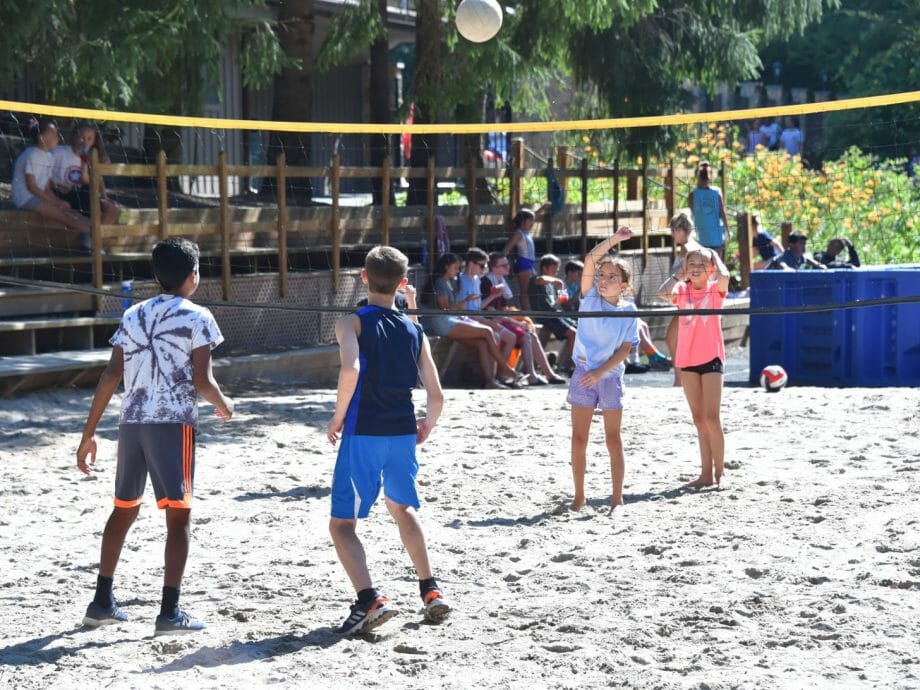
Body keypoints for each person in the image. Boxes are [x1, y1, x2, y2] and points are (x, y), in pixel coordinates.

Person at [76, 237, 233, 635]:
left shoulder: (133, 315)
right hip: (172, 423)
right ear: (194, 275)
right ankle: (169, 613)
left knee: (124, 509)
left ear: (155, 275)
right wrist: (225, 404)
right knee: (179, 518)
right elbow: (202, 380)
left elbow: (111, 375)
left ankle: (101, 602)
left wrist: (88, 433)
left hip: (131, 424)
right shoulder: (198, 317)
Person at [326, 245, 450, 635]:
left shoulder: (351, 322)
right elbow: (437, 394)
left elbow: (351, 370)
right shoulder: (415, 330)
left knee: (342, 525)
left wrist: (337, 415)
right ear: (401, 283)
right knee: (401, 508)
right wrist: (427, 425)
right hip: (401, 432)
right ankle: (430, 589)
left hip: (364, 432)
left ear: (363, 277)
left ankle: (369, 600)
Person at [567, 227, 638, 512]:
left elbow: (625, 350)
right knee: (578, 438)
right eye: (602, 275)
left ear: (623, 286)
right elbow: (589, 259)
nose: (604, 280)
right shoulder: (589, 299)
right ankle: (579, 497)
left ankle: (617, 498)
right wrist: (616, 239)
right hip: (583, 373)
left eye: (612, 277)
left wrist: (600, 372)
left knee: (613, 438)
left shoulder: (628, 310)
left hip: (608, 377)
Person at [658, 247, 730, 488]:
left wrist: (714, 256)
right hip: (687, 360)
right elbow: (662, 292)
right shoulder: (681, 289)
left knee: (712, 418)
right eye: (692, 264)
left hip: (711, 359)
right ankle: (705, 475)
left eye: (702, 264)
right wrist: (681, 272)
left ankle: (720, 475)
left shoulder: (714, 290)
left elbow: (725, 277)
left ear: (710, 269)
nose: (696, 268)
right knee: (699, 419)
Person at [421, 253, 519, 389]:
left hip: (448, 320)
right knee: (488, 331)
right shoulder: (440, 282)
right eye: (455, 267)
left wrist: (464, 303)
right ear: (446, 267)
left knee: (482, 343)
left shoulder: (447, 282)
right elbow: (445, 308)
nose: (457, 271)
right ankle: (504, 367)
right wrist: (464, 302)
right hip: (442, 323)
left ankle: (490, 381)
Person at [478, 252, 566, 385]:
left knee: (530, 334)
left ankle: (543, 374)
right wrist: (515, 322)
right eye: (504, 265)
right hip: (492, 320)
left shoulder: (500, 280)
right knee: (524, 335)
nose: (508, 267)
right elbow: (491, 312)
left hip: (499, 318)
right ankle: (505, 375)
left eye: (507, 264)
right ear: (494, 268)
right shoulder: (487, 282)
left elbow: (501, 309)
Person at [11, 117, 91, 243]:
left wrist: (58, 201)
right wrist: (56, 203)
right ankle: (96, 239)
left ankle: (94, 235)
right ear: (41, 138)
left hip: (37, 196)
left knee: (72, 213)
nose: (57, 136)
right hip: (25, 198)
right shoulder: (32, 154)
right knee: (66, 217)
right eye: (52, 133)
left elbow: (46, 187)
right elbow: (32, 187)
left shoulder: (48, 156)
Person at [457, 248, 517, 362]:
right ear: (471, 264)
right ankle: (501, 372)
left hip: (478, 317)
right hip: (468, 318)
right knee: (499, 336)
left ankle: (499, 374)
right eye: (482, 266)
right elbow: (463, 310)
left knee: (508, 337)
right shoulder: (460, 280)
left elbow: (479, 307)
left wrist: (494, 296)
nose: (485, 269)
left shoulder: (477, 280)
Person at [52, 123, 120, 226]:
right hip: (62, 194)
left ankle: (93, 238)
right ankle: (92, 237)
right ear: (74, 136)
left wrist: (104, 196)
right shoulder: (59, 153)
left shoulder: (92, 156)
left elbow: (97, 180)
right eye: (82, 138)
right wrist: (56, 185)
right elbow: (43, 176)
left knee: (111, 208)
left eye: (89, 139)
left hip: (84, 194)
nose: (85, 142)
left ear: (94, 141)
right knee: (89, 211)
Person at [664, 210, 702, 387]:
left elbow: (696, 276)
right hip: (687, 302)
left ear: (681, 230)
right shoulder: (690, 247)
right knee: (676, 340)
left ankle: (681, 380)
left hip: (691, 303)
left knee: (674, 339)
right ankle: (681, 380)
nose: (672, 234)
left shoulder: (690, 250)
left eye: (674, 230)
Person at [528, 254, 577, 371]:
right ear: (545, 268)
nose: (556, 272)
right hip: (545, 316)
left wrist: (561, 298)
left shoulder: (550, 285)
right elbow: (541, 280)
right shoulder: (535, 280)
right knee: (572, 333)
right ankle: (573, 366)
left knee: (580, 327)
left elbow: (554, 304)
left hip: (555, 314)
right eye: (554, 269)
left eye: (557, 270)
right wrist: (556, 281)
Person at [503, 204, 549, 310]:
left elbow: (534, 215)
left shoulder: (526, 232)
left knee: (531, 290)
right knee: (524, 292)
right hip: (523, 263)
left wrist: (543, 208)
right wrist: (504, 263)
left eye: (532, 221)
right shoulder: (518, 233)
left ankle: (531, 312)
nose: (532, 223)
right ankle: (527, 313)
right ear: (523, 221)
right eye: (530, 221)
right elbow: (507, 248)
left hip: (529, 264)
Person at [687, 161, 730, 259]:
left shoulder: (692, 195)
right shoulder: (717, 192)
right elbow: (722, 213)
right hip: (717, 237)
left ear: (697, 176)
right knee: (718, 266)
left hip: (701, 237)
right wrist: (727, 230)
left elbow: (692, 215)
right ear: (710, 177)